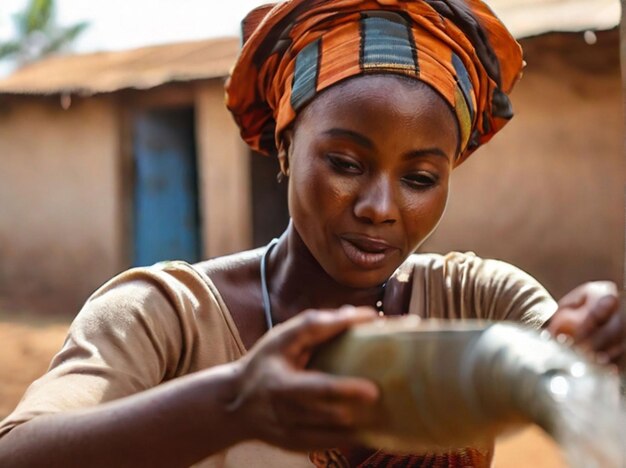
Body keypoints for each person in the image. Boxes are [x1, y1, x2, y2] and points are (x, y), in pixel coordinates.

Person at [0, 0, 624, 467]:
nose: (380, 208)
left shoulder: (477, 301)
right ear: (285, 145)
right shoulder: (167, 319)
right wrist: (232, 405)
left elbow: (566, 361)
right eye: (346, 165)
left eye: (421, 177)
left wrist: (597, 338)